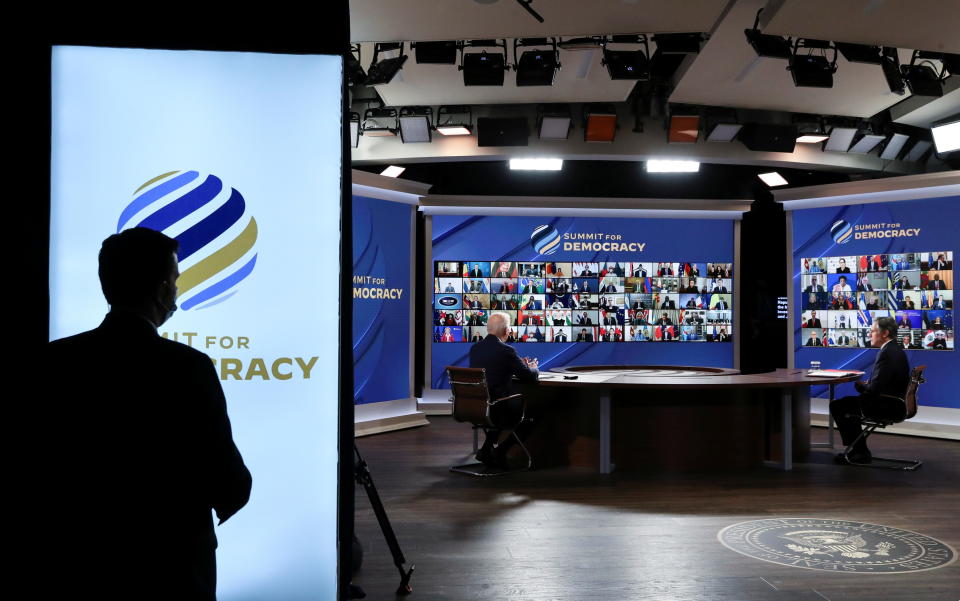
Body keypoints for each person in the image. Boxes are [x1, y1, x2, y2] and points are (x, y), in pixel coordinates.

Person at [32, 228, 251, 599]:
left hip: (78, 563)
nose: (177, 291)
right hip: (173, 567)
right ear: (161, 287)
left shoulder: (55, 361)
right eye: (176, 279)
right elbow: (226, 474)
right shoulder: (188, 368)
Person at [830, 317, 909, 465]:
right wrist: (870, 385)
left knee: (838, 406)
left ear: (884, 333)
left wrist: (861, 386)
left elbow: (874, 389)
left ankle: (860, 452)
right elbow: (883, 382)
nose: (869, 335)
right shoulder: (895, 349)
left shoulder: (887, 352)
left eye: (872, 331)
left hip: (886, 405)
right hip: (893, 402)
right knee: (847, 405)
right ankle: (858, 450)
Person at [469, 312, 539, 468]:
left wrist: (518, 364)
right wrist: (533, 368)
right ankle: (499, 451)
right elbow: (529, 376)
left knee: (498, 409)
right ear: (507, 330)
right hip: (496, 407)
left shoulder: (475, 348)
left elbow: (496, 368)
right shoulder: (507, 351)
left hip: (476, 407)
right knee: (532, 415)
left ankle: (486, 450)